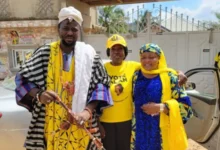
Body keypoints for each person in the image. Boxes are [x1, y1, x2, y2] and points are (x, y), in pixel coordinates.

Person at [15, 6, 113, 150]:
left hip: (81, 120)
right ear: (58, 29)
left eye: (74, 29)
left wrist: (87, 112)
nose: (69, 33)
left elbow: (101, 87)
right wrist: (39, 94)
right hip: (49, 119)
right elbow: (22, 79)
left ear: (79, 31)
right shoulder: (44, 53)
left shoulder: (90, 55)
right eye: (65, 28)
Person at [99, 34, 188, 150]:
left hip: (133, 124)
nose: (117, 52)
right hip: (116, 124)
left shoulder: (134, 67)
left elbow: (160, 69)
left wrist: (178, 73)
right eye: (113, 49)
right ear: (108, 52)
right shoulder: (104, 69)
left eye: (120, 49)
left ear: (125, 51)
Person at [132, 43, 193, 150]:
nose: (147, 61)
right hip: (138, 132)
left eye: (152, 57)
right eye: (143, 57)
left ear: (159, 58)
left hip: (161, 134)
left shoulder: (171, 78)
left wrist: (162, 107)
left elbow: (186, 108)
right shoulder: (136, 75)